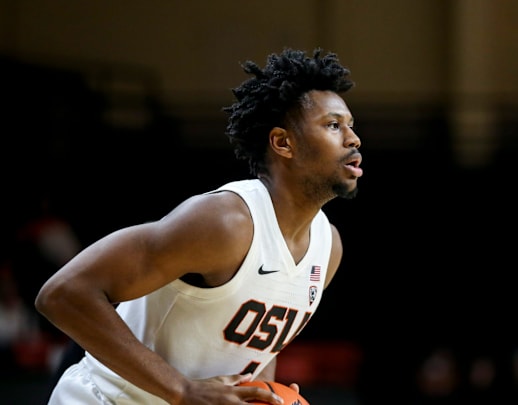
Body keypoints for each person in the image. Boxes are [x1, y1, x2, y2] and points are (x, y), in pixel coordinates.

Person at [35, 47, 362, 405]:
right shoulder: (226, 222)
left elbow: (256, 355)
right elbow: (63, 294)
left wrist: (264, 396)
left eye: (350, 125)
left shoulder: (328, 247)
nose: (353, 138)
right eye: (333, 125)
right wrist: (182, 389)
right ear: (284, 143)